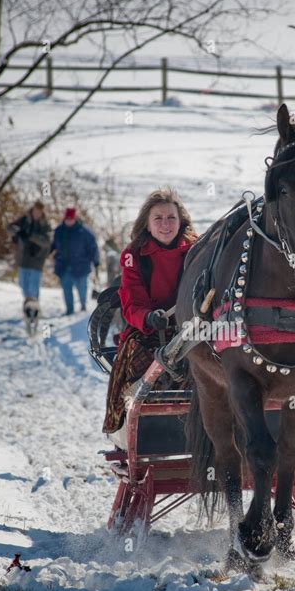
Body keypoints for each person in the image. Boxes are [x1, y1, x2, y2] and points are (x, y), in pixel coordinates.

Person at [102, 187, 197, 441]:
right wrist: (148, 317)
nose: (165, 224)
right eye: (158, 218)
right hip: (149, 330)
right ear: (147, 222)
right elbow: (131, 303)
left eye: (171, 218)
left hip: (192, 328)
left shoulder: (197, 250)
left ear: (181, 221)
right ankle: (139, 428)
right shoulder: (134, 256)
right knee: (140, 359)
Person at [52, 207, 100, 315]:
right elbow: (53, 245)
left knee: (82, 290)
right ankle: (70, 310)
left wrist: (96, 261)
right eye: (67, 219)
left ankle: (83, 307)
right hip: (64, 266)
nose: (69, 221)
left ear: (75, 218)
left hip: (81, 266)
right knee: (66, 290)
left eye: (71, 219)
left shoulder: (84, 232)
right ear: (64, 219)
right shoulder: (59, 231)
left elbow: (93, 247)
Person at [8, 201, 51, 303]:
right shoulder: (24, 220)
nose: (37, 214)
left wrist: (31, 236)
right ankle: (28, 305)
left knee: (33, 287)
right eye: (35, 211)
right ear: (32, 210)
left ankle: (34, 307)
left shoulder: (45, 225)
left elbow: (46, 242)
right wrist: (18, 233)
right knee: (23, 285)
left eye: (39, 212)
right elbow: (9, 228)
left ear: (42, 213)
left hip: (37, 259)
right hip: (23, 258)